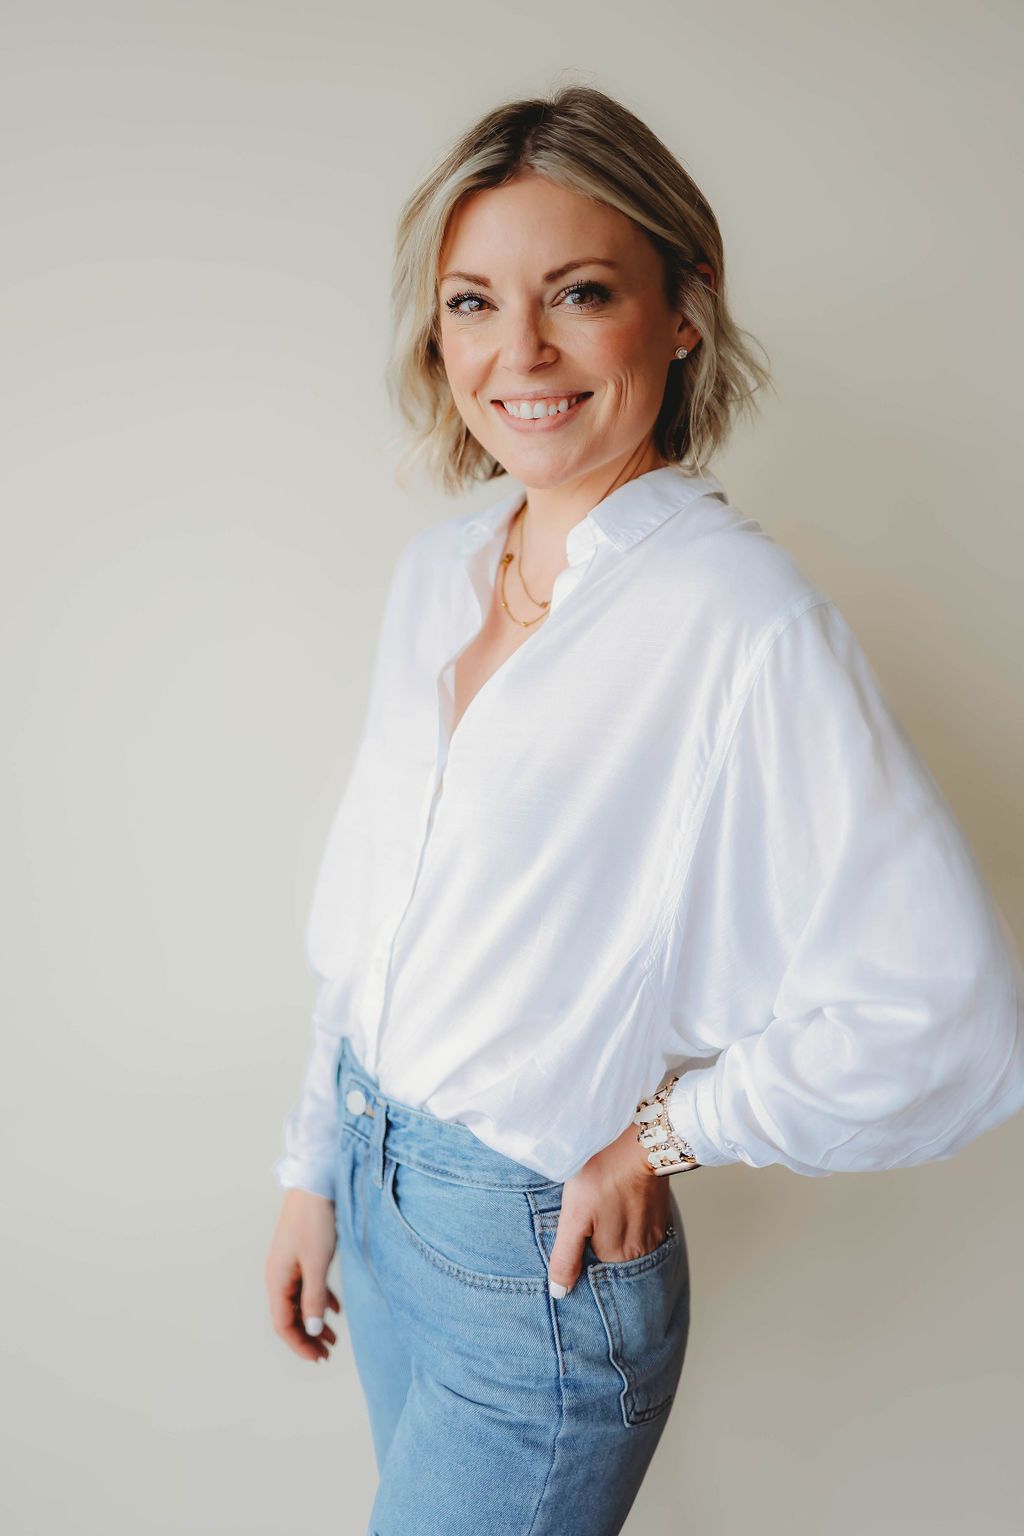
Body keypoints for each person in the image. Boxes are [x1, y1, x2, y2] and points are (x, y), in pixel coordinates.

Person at [264, 84, 1024, 1534]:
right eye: (475, 302)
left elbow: (949, 1005)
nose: (521, 353)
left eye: (581, 293)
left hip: (528, 1260)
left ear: (682, 312)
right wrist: (316, 1168)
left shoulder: (742, 620)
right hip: (377, 1200)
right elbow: (376, 915)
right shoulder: (440, 571)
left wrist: (667, 1136)